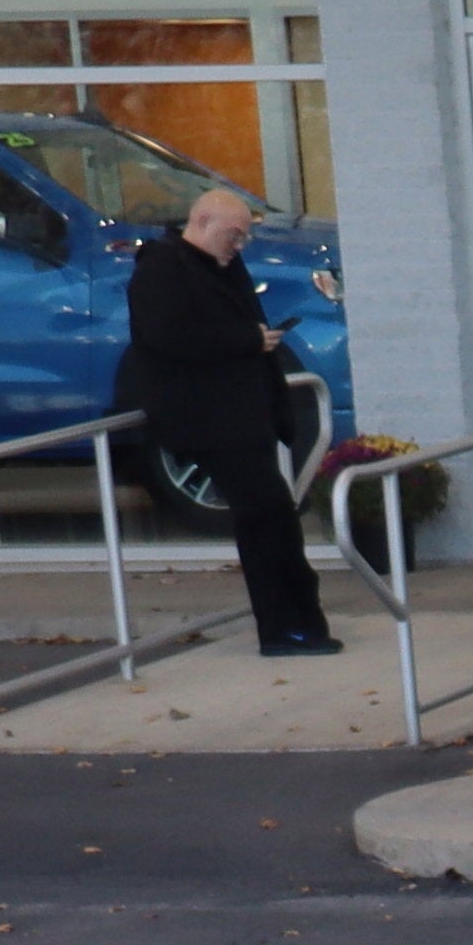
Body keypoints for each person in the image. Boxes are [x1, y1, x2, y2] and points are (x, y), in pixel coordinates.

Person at [113, 184, 341, 658]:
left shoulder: (224, 267)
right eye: (232, 235)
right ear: (202, 224)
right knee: (264, 519)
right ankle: (282, 627)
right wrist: (246, 340)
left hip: (242, 413)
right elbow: (169, 339)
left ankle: (301, 622)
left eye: (243, 238)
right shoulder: (161, 271)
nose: (237, 246)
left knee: (276, 517)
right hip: (208, 419)